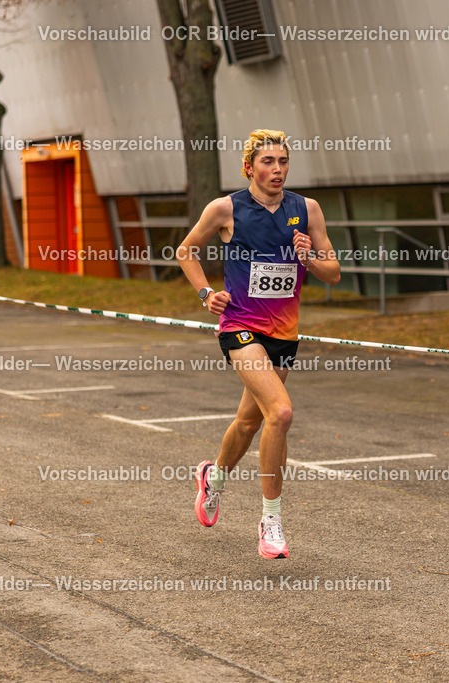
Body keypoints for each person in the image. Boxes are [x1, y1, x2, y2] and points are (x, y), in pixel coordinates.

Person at [177, 129, 340, 559]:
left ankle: (213, 478)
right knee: (281, 412)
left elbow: (334, 272)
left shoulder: (307, 209)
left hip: (282, 333)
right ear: (249, 167)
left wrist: (309, 259)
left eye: (283, 162)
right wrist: (204, 294)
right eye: (268, 162)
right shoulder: (226, 208)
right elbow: (185, 250)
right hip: (240, 327)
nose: (278, 170)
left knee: (250, 423)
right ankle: (271, 520)